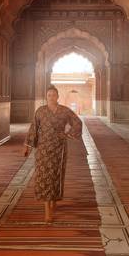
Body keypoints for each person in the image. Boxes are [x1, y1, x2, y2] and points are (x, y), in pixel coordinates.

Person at [24, 85, 82, 223]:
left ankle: (54, 199)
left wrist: (67, 134)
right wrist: (27, 146)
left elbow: (77, 122)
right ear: (46, 96)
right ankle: (47, 210)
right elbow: (33, 128)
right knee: (44, 176)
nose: (51, 97)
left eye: (54, 95)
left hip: (59, 148)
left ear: (58, 96)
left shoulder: (64, 111)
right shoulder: (40, 111)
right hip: (43, 149)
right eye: (49, 95)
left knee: (56, 175)